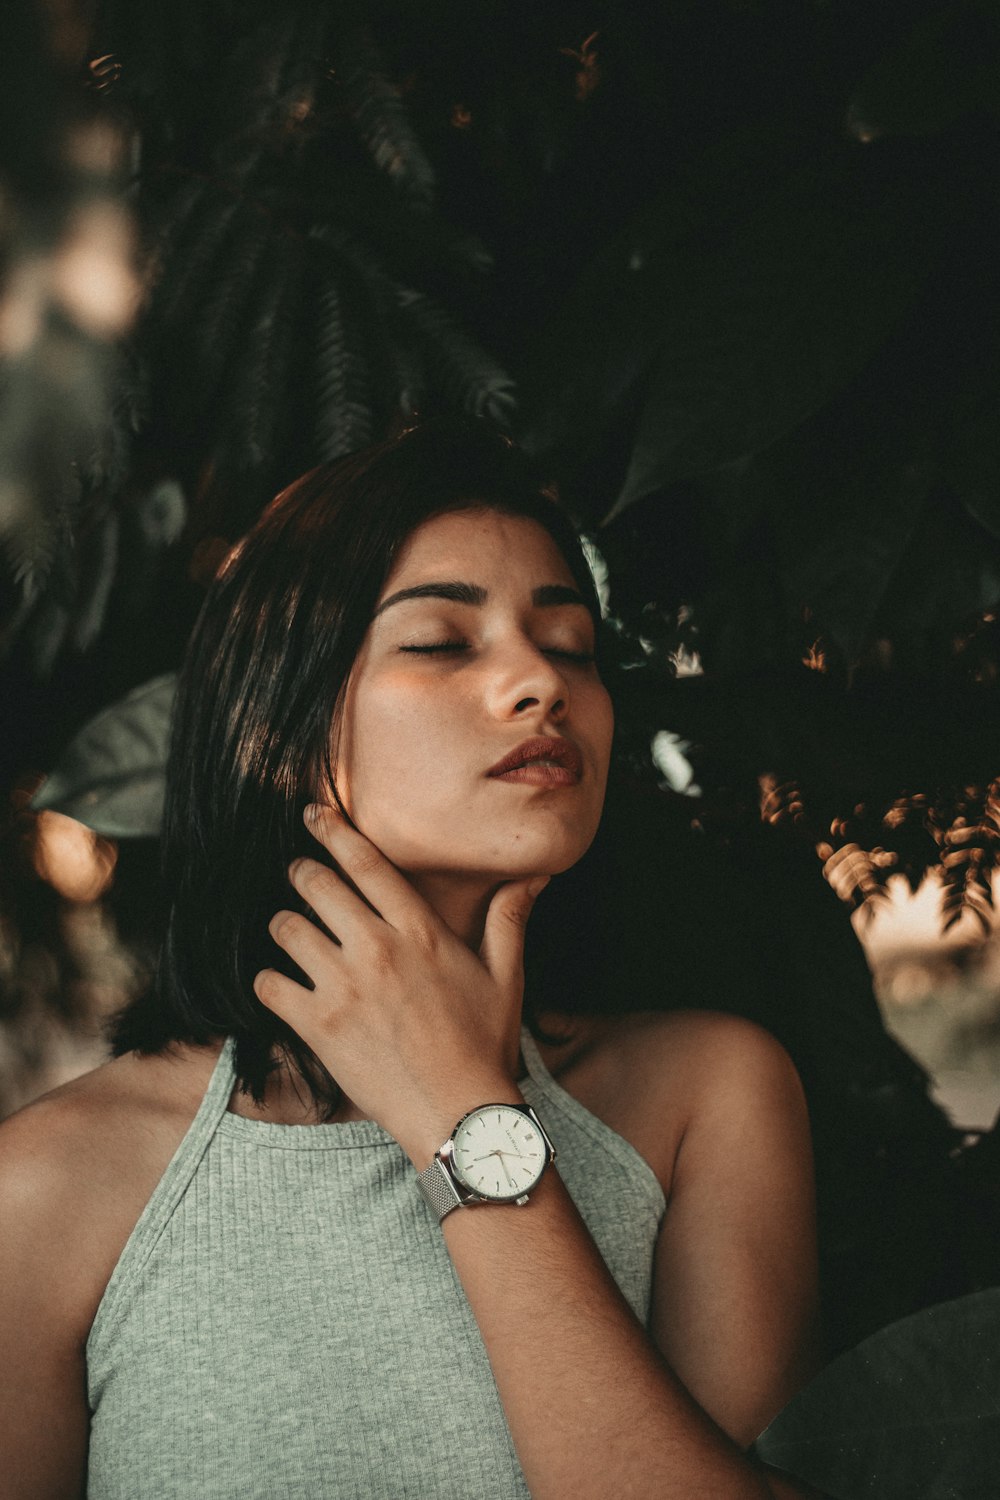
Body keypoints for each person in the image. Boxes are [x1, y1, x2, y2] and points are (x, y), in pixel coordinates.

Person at [0, 419, 820, 1499]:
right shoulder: (50, 1188)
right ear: (280, 726)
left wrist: (460, 1110)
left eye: (571, 646)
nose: (540, 682)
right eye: (441, 641)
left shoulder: (700, 1097)